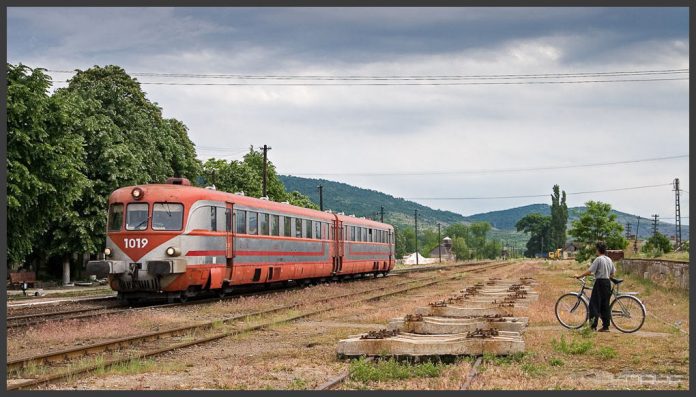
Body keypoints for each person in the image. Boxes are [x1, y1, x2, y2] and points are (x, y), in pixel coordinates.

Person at [575, 241, 616, 332]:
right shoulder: (609, 259)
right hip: (607, 283)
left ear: (598, 250)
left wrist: (580, 276)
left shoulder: (598, 259)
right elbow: (613, 273)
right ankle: (606, 327)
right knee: (605, 305)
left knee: (594, 305)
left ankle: (593, 327)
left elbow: (590, 271)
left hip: (600, 283)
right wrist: (606, 276)